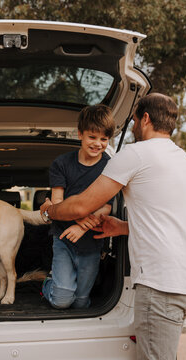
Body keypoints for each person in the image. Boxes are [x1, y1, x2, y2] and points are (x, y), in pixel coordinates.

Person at [40, 93, 186, 359]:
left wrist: (49, 210)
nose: (134, 125)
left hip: (159, 286)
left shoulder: (136, 154)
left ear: (145, 118)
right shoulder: (181, 158)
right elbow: (169, 218)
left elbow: (81, 206)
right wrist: (123, 227)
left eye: (135, 119)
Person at [41, 104, 115, 309]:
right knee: (62, 300)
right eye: (92, 137)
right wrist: (76, 221)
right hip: (63, 238)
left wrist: (82, 227)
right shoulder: (62, 164)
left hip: (92, 243)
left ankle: (62, 285)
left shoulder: (110, 166)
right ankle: (48, 284)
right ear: (80, 134)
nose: (98, 144)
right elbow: (57, 203)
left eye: (104, 139)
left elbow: (106, 207)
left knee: (81, 303)